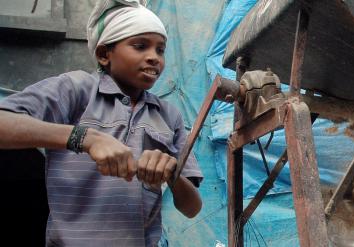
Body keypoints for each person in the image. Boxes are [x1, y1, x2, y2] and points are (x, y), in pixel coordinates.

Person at [0, 0, 203, 246]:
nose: (154, 58)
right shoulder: (76, 89)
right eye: (140, 46)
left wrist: (172, 174)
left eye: (160, 50)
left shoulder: (169, 115)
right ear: (104, 54)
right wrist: (84, 138)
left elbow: (192, 208)